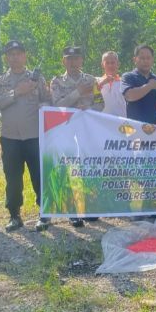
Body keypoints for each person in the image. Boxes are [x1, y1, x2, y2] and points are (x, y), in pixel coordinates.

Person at [0, 40, 52, 232]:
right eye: (11, 54)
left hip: (34, 136)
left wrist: (44, 106)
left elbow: (48, 100)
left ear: (25, 56)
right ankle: (15, 215)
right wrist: (16, 92)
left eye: (18, 53)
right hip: (10, 138)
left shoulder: (37, 79)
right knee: (13, 178)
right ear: (6, 57)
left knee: (39, 176)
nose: (15, 57)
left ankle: (45, 214)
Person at [50, 45, 103, 227]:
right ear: (63, 61)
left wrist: (89, 109)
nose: (73, 62)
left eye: (76, 59)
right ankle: (72, 211)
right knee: (68, 169)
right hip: (66, 131)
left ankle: (90, 207)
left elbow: (100, 103)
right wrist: (78, 92)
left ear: (81, 60)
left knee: (88, 168)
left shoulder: (91, 80)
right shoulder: (56, 82)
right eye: (69, 59)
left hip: (88, 131)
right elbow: (57, 105)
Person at [121, 45, 156, 125]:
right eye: (142, 58)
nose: (145, 61)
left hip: (155, 129)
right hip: (133, 128)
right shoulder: (128, 76)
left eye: (148, 58)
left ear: (152, 60)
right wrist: (150, 86)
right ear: (135, 59)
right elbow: (130, 96)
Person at [97, 51, 127, 117]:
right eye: (107, 63)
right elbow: (89, 95)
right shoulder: (96, 81)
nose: (110, 65)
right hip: (101, 122)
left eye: (113, 63)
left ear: (118, 64)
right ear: (102, 65)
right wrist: (102, 83)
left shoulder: (124, 82)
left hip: (120, 123)